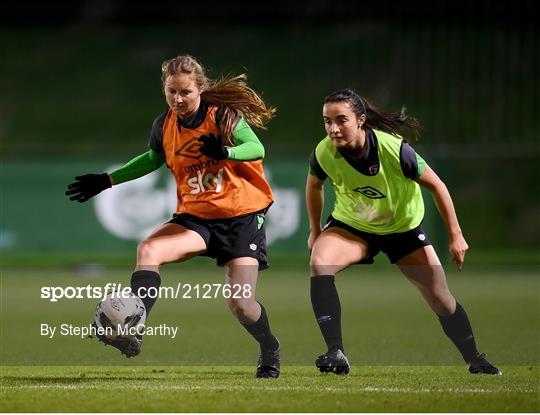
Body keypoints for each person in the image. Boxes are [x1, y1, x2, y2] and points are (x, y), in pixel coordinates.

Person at [65, 54, 281, 378]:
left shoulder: (223, 116)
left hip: (241, 216)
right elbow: (154, 158)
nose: (178, 100)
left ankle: (270, 347)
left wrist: (226, 152)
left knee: (241, 305)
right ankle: (135, 328)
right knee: (148, 250)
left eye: (185, 92)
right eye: (171, 92)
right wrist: (108, 180)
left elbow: (256, 148)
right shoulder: (164, 124)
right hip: (196, 216)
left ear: (200, 89)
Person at [306, 88, 501, 376]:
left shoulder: (393, 149)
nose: (333, 129)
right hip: (353, 227)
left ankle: (475, 358)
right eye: (327, 121)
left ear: (360, 120)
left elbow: (438, 186)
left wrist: (456, 235)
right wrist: (314, 229)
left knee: (440, 298)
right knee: (320, 263)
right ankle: (335, 352)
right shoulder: (324, 151)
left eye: (341, 120)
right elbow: (314, 186)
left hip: (403, 230)